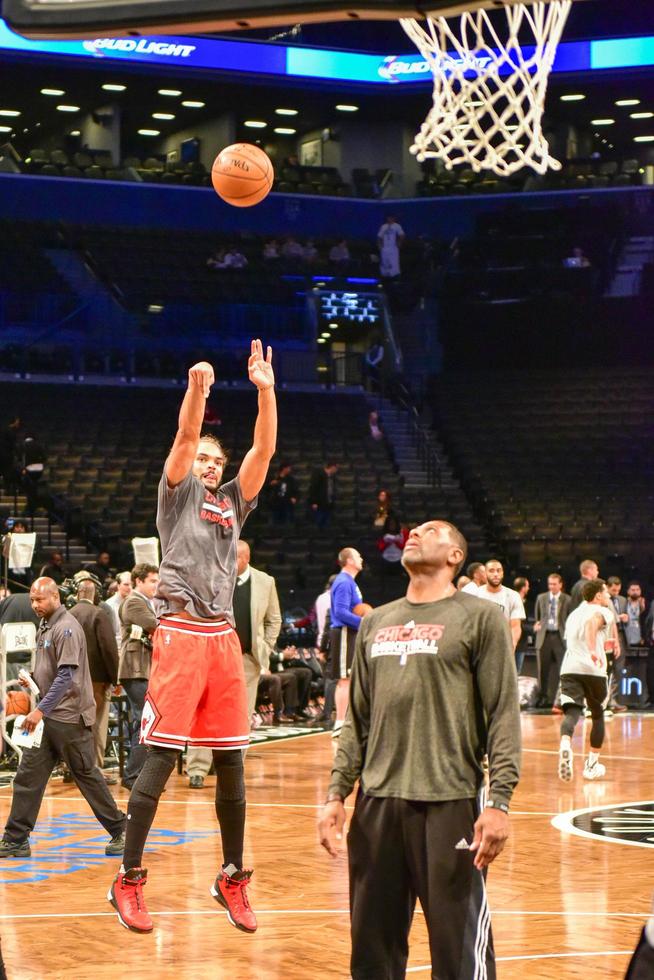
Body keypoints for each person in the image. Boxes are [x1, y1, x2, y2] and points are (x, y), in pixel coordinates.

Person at [107, 341, 276, 935]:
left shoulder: (233, 500)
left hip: (223, 638)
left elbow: (263, 449)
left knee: (231, 763)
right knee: (161, 759)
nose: (207, 463)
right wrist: (198, 393)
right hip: (179, 629)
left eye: (213, 459)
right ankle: (127, 877)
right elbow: (182, 440)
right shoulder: (177, 495)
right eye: (202, 457)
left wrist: (265, 390)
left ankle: (231, 876)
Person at [318, 520, 521, 980]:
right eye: (414, 531)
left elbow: (503, 715)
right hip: (377, 807)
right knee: (372, 954)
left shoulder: (480, 617)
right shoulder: (376, 621)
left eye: (432, 531)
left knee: (458, 953)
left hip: (451, 802)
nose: (415, 534)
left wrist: (500, 802)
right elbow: (358, 722)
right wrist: (336, 794)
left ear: (454, 556)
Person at [0, 578, 126, 858]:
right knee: (27, 777)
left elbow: (67, 677)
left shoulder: (67, 627)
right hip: (48, 718)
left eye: (40, 600)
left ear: (56, 597)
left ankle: (121, 829)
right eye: (32, 600)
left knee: (87, 776)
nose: (35, 605)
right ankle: (16, 838)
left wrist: (38, 709)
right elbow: (53, 670)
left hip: (69, 718)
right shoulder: (45, 626)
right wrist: (33, 679)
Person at [186, 540, 282, 788]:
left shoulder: (265, 582)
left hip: (248, 659)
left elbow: (274, 619)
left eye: (234, 558)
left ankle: (231, 768)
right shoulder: (214, 577)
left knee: (241, 714)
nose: (228, 562)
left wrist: (266, 647)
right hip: (213, 656)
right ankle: (197, 768)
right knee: (204, 710)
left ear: (246, 558)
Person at [558, 579, 616, 782]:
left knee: (572, 712)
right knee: (598, 715)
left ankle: (565, 743)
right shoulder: (602, 611)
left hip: (570, 669)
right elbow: (593, 624)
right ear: (598, 596)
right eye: (606, 593)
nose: (609, 596)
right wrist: (593, 650)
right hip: (594, 670)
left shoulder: (573, 615)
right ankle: (591, 765)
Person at [69, 579, 120, 779]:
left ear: (78, 593)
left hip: (70, 679)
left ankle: (73, 768)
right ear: (94, 594)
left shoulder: (67, 615)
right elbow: (108, 649)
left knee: (75, 724)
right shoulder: (98, 613)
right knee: (96, 724)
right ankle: (93, 769)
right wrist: (116, 678)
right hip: (96, 680)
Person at [118, 563, 159, 790]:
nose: (157, 585)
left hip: (140, 669)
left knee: (142, 722)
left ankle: (137, 775)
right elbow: (155, 625)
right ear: (139, 581)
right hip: (135, 668)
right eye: (153, 581)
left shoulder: (144, 602)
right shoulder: (134, 601)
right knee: (144, 722)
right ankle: (133, 776)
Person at [329, 547, 365, 742]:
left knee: (350, 679)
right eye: (358, 556)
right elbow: (342, 613)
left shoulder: (349, 582)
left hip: (349, 632)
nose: (362, 559)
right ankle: (340, 723)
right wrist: (364, 621)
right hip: (343, 632)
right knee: (344, 679)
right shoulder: (343, 582)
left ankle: (346, 721)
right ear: (349, 560)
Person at [533, 573, 571, 708]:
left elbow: (569, 618)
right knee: (542, 670)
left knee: (564, 670)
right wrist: (537, 625)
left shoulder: (567, 599)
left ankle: (562, 700)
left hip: (560, 637)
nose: (552, 586)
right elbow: (538, 616)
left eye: (554, 584)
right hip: (545, 636)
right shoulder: (541, 598)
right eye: (550, 584)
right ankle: (543, 698)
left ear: (560, 584)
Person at [477, 559, 525, 652]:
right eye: (491, 571)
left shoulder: (513, 596)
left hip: (502, 645)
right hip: (479, 645)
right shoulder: (475, 594)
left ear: (502, 573)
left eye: (499, 570)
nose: (496, 574)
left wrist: (513, 644)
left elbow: (515, 626)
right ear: (485, 573)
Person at [104, 571, 132, 646]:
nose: (130, 587)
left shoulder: (137, 602)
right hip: (117, 647)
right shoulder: (109, 605)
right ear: (118, 586)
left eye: (132, 584)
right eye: (126, 584)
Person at [308, 462, 338, 529]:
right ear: (332, 467)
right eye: (336, 468)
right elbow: (313, 489)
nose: (336, 471)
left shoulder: (331, 477)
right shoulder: (318, 475)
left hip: (328, 504)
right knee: (318, 523)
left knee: (326, 525)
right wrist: (314, 502)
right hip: (319, 505)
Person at [377, 214, 405, 279]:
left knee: (394, 262)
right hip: (384, 248)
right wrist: (379, 245)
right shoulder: (383, 226)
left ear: (393, 218)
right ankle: (384, 275)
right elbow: (379, 237)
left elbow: (402, 235)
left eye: (390, 218)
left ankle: (394, 276)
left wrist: (399, 243)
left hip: (393, 248)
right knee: (384, 262)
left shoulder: (397, 226)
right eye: (388, 218)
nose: (389, 219)